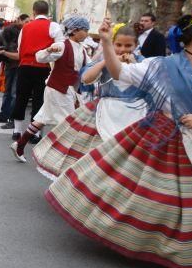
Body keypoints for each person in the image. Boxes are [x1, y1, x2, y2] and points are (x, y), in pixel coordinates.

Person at [46, 13, 192, 268]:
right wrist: (106, 42)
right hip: (164, 139)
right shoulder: (162, 65)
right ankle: (175, 254)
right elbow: (120, 73)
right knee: (170, 200)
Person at [32, 24, 145, 179]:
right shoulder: (103, 59)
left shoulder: (143, 63)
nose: (123, 49)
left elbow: (150, 83)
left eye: (128, 45)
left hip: (134, 115)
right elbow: (86, 78)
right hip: (105, 112)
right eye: (118, 45)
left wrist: (134, 65)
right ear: (112, 44)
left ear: (136, 46)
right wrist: (107, 62)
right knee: (96, 155)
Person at [11, 16, 89, 162]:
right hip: (58, 89)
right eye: (85, 30)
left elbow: (89, 68)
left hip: (69, 90)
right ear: (75, 30)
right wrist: (48, 50)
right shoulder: (62, 45)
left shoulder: (82, 49)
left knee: (42, 119)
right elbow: (39, 57)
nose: (87, 33)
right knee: (68, 123)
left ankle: (19, 145)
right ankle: (58, 157)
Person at [10, 0, 64, 143]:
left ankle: (17, 131)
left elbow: (19, 48)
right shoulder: (53, 26)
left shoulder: (25, 27)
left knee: (21, 97)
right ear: (47, 12)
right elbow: (60, 48)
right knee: (39, 99)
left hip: (25, 66)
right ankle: (36, 133)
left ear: (34, 12)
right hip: (43, 67)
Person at [0, 14, 27, 128]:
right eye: (26, 21)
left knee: (13, 93)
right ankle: (5, 115)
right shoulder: (8, 33)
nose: (27, 23)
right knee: (9, 92)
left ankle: (12, 119)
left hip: (18, 65)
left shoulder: (22, 33)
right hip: (11, 65)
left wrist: (2, 53)